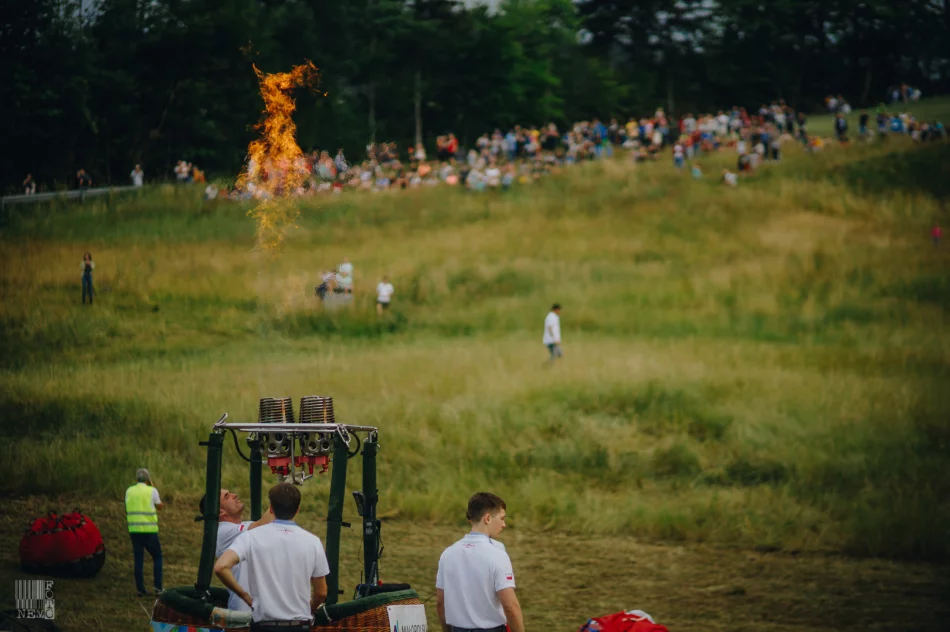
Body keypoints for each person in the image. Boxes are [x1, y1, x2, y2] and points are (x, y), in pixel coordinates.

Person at [214, 483, 330, 632]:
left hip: (262, 624)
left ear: (270, 508)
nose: (234, 495)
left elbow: (221, 567)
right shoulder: (313, 542)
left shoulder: (250, 536)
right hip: (299, 625)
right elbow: (321, 593)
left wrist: (245, 596)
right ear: (298, 510)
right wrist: (309, 609)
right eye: (227, 496)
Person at [436, 492, 524, 632]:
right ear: (487, 518)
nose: (504, 524)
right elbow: (510, 607)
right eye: (502, 518)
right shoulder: (497, 554)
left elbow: (441, 603)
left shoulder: (448, 554)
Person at [200, 489, 276, 613]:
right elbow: (263, 526)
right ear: (221, 512)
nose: (234, 495)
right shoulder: (223, 531)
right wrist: (281, 494)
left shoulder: (243, 526)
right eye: (227, 496)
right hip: (245, 612)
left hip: (259, 609)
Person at [125, 468, 163, 597]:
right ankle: (158, 588)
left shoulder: (129, 491)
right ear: (148, 479)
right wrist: (152, 486)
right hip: (149, 530)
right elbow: (159, 506)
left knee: (138, 559)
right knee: (157, 556)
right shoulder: (152, 490)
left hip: (134, 529)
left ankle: (140, 589)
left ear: (136, 479)